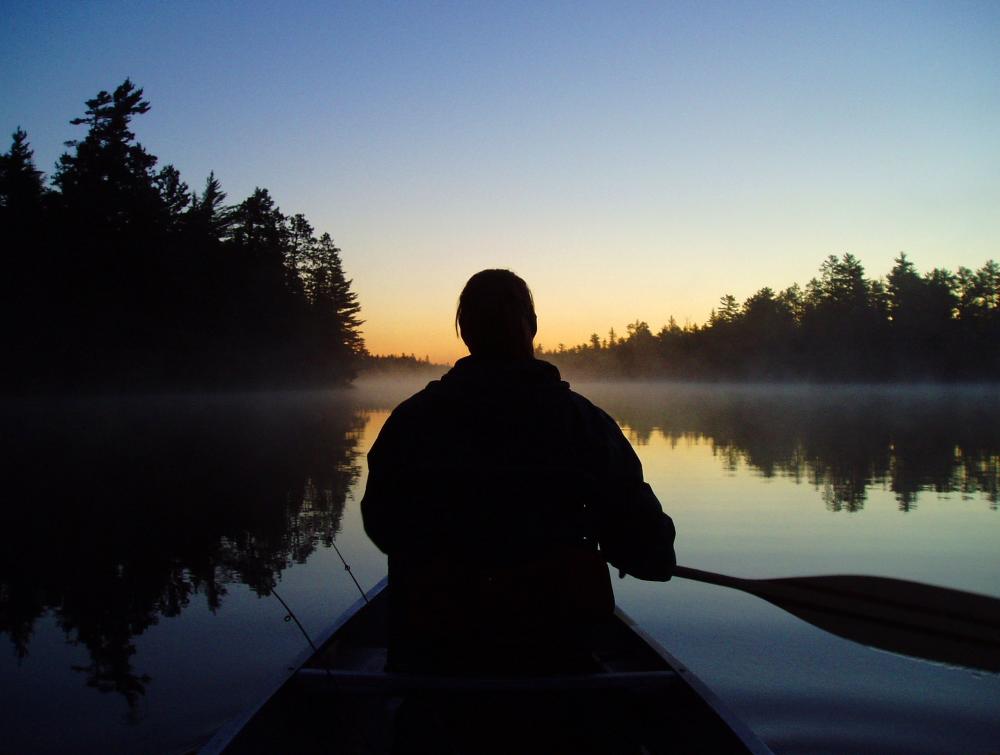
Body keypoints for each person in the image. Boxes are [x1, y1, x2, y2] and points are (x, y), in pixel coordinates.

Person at [361, 269, 675, 674]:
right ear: (532, 326)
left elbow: (384, 526)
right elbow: (651, 553)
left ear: (465, 332)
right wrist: (617, 548)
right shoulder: (586, 425)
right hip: (559, 661)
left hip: (436, 658)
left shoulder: (410, 422)